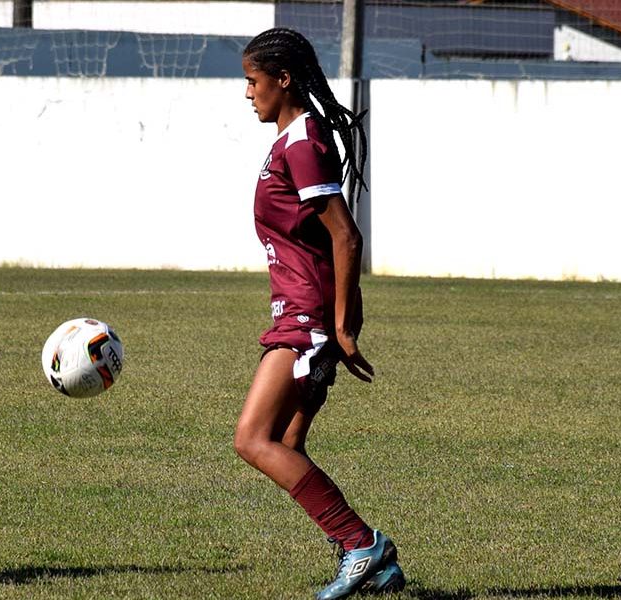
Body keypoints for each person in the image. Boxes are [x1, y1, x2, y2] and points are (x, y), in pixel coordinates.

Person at [234, 28, 404, 599]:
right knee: (285, 441)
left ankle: (361, 545)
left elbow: (345, 237)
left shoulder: (304, 142)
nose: (248, 93)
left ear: (283, 80)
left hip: (305, 319)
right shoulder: (292, 140)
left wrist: (342, 327)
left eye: (253, 82)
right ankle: (374, 563)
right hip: (302, 315)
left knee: (253, 440)